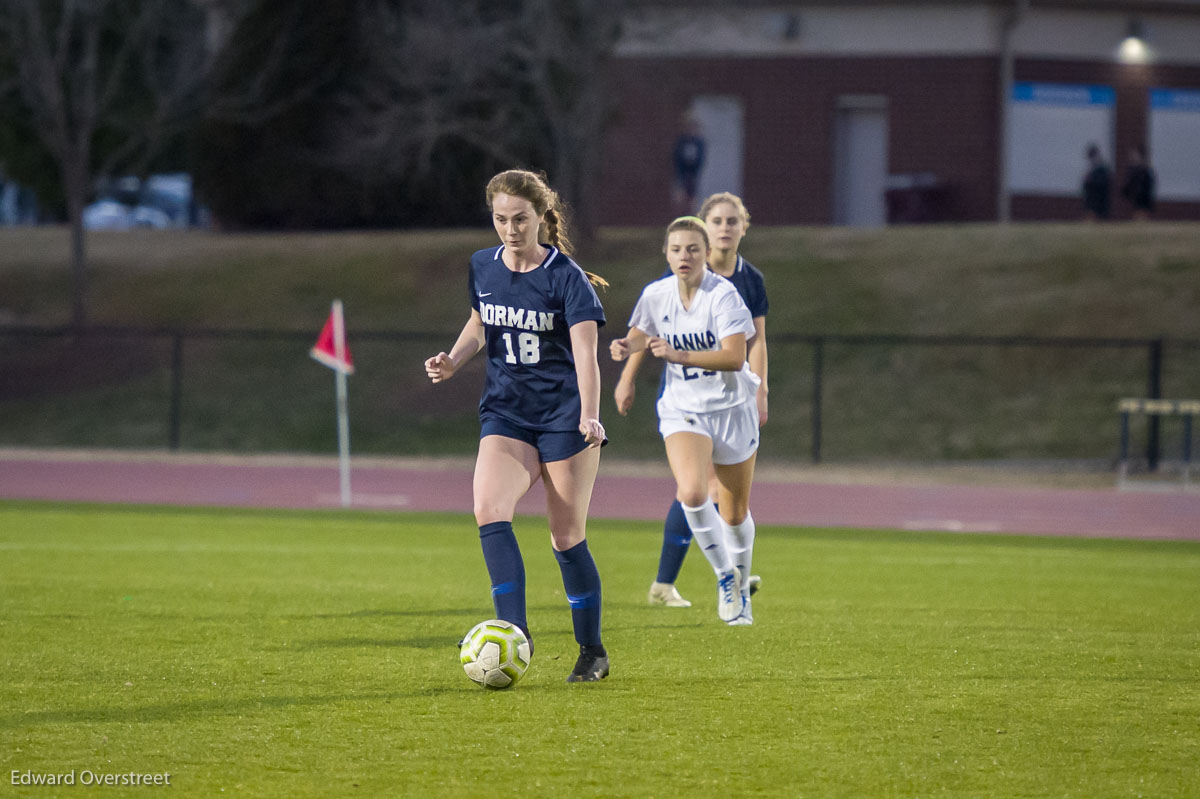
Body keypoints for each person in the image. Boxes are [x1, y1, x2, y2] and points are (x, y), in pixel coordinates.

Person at [425, 168, 611, 682]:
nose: (510, 229)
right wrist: (454, 360)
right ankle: (514, 634)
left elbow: (586, 358)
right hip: (506, 413)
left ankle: (591, 650)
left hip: (563, 419)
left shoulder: (565, 277)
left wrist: (590, 415)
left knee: (566, 538)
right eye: (501, 219)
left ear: (540, 217)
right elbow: (481, 319)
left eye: (520, 219)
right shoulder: (482, 265)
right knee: (488, 509)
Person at [614, 193, 767, 612]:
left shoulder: (733, 290)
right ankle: (724, 577)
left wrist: (761, 389)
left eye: (692, 249)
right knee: (692, 491)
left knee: (734, 513)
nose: (685, 255)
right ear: (666, 252)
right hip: (683, 406)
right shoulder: (657, 293)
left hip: (732, 407)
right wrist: (625, 355)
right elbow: (641, 334)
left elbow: (739, 354)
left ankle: (737, 577)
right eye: (677, 248)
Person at [671, 114, 706, 217]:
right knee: (680, 198)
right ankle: (678, 221)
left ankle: (692, 222)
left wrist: (693, 174)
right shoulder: (681, 141)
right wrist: (680, 175)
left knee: (693, 200)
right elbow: (676, 159)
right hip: (681, 174)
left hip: (693, 175)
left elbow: (700, 160)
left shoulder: (699, 142)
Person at [1122, 144, 1156, 221]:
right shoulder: (1135, 169)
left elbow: (1147, 184)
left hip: (1142, 197)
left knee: (1141, 213)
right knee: (1138, 213)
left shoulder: (1144, 170)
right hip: (1137, 197)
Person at [1082, 143, 1111, 220]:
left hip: (1097, 201)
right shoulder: (1093, 169)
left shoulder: (1102, 169)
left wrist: (1090, 181)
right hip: (1091, 200)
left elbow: (1102, 183)